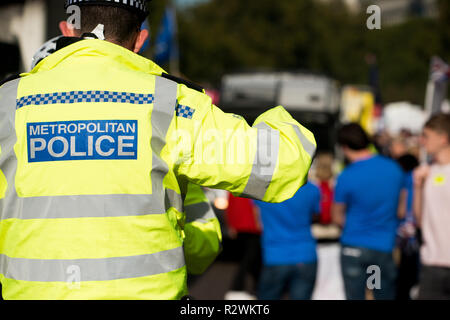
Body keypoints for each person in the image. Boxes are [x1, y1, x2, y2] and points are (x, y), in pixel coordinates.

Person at [0, 0, 316, 299]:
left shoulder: (7, 102)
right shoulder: (170, 101)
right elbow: (279, 165)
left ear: (66, 30)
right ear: (140, 40)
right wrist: (277, 116)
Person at [332, 123, 406, 300]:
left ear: (344, 147)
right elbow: (401, 211)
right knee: (379, 293)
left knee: (355, 296)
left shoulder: (346, 175)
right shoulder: (394, 169)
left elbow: (337, 217)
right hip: (382, 248)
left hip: (353, 247)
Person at [255, 181, 320, 300]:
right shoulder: (311, 188)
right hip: (305, 254)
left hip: (275, 255)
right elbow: (315, 215)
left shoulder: (262, 188)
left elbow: (258, 222)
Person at [413, 113, 450, 300]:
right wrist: (418, 187)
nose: (421, 141)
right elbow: (419, 219)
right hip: (432, 263)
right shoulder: (426, 172)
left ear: (444, 139)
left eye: (426, 136)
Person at [224, 194, 262, 300]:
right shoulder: (256, 186)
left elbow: (230, 207)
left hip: (241, 226)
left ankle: (255, 286)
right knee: (250, 259)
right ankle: (238, 287)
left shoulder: (234, 186)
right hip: (253, 227)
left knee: (250, 258)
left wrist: (231, 225)